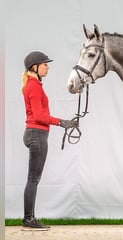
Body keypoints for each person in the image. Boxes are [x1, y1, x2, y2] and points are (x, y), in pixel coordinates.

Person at [21, 51, 76, 229]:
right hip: (37, 134)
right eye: (44, 64)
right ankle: (29, 219)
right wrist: (62, 122)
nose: (47, 66)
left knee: (32, 179)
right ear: (34, 67)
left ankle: (28, 218)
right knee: (33, 180)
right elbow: (39, 116)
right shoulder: (34, 87)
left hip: (35, 134)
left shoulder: (34, 85)